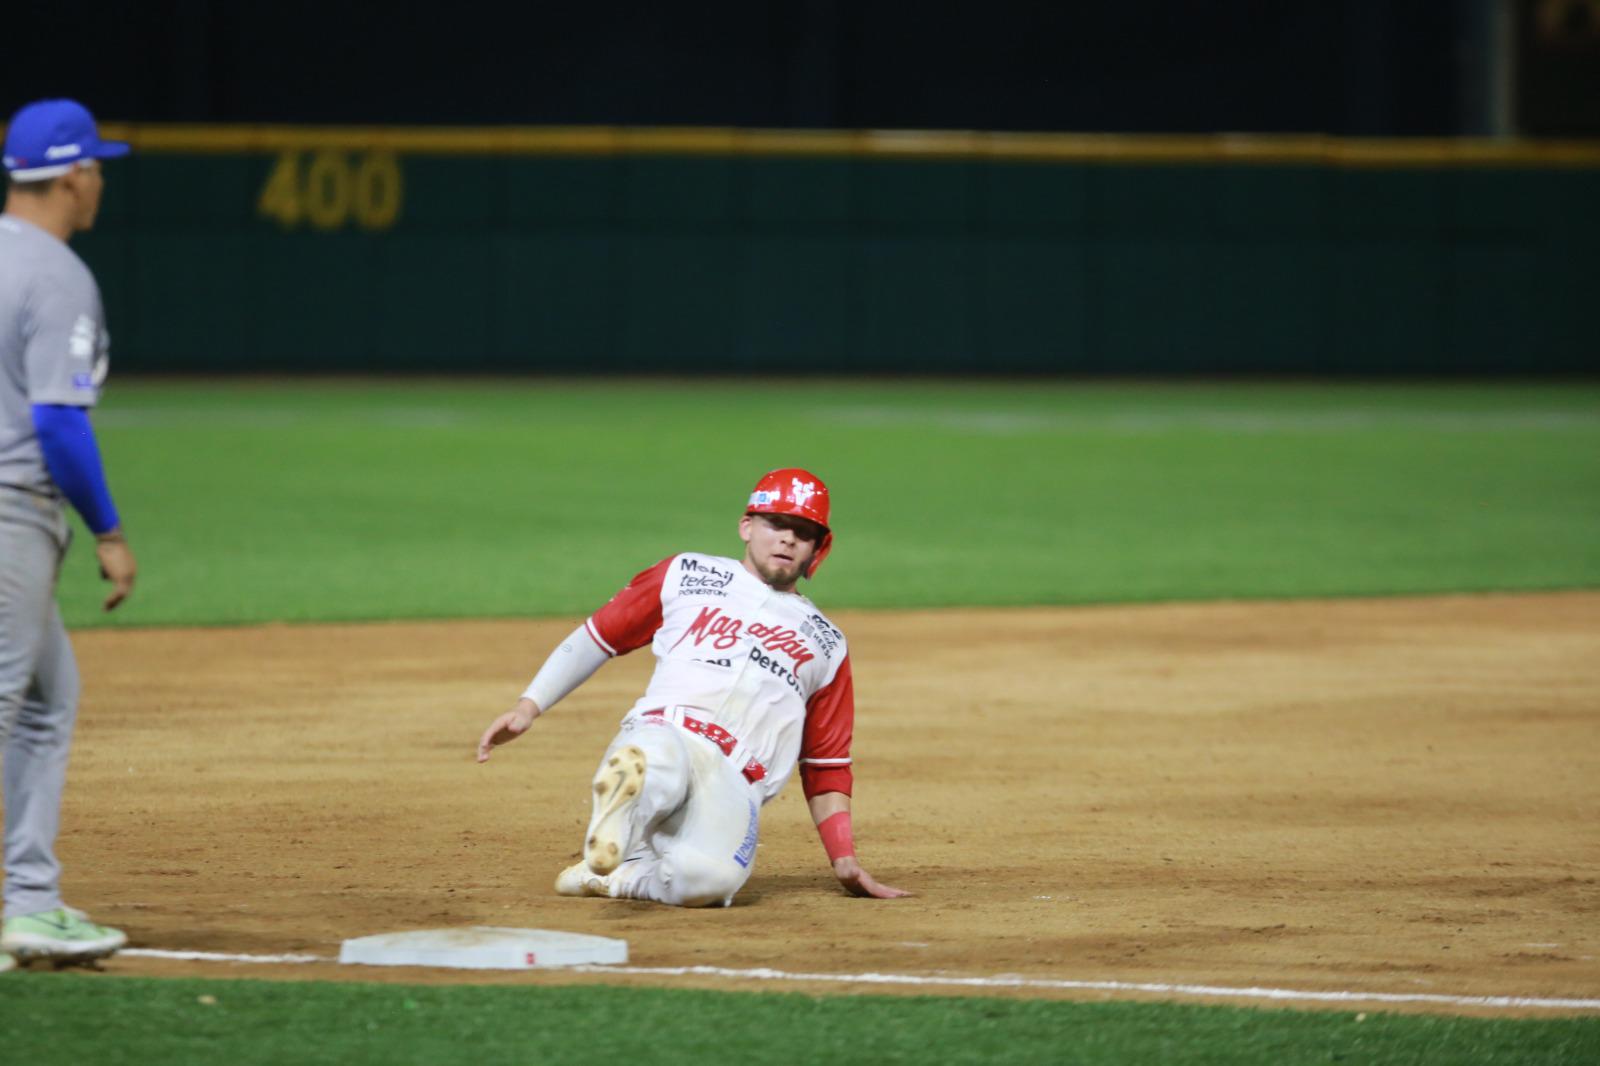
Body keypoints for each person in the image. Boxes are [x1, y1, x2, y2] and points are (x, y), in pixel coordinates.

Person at [477, 468, 907, 908]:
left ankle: (616, 873)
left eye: (803, 531)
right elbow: (598, 636)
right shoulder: (686, 573)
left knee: (708, 882)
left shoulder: (827, 642)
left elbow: (825, 763)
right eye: (775, 523)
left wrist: (844, 859)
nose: (787, 539)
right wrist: (529, 705)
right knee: (653, 762)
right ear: (747, 526)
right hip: (667, 730)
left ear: (818, 548)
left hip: (737, 781)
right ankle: (622, 820)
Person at [0, 99, 137, 970]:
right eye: (97, 166)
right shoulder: (55, 274)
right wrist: (109, 531)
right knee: (11, 698)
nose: (100, 181)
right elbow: (57, 424)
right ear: (74, 172)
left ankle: (32, 901)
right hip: (10, 507)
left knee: (47, 701)